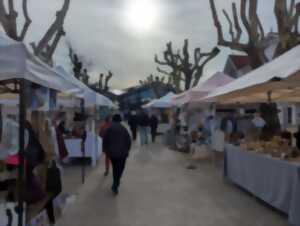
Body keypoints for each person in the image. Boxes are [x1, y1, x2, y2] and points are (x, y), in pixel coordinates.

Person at [103, 114, 131, 195]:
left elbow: (105, 139)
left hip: (112, 153)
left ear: (113, 120)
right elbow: (128, 141)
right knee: (120, 169)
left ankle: (115, 183)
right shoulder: (124, 129)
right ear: (120, 120)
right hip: (122, 153)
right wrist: (127, 150)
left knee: (115, 168)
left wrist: (105, 150)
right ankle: (115, 184)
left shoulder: (109, 129)